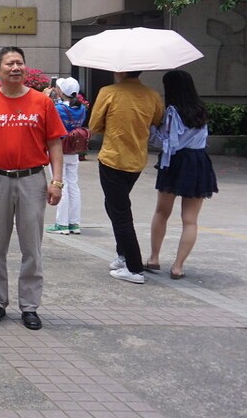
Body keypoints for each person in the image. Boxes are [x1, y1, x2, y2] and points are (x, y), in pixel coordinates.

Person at [0, 47, 66, 331]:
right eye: (9, 63)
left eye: (20, 63)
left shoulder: (42, 102)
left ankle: (29, 306)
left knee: (31, 246)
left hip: (32, 180)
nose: (16, 67)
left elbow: (54, 144)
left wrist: (57, 181)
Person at [87, 70, 164, 285]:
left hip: (113, 158)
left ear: (120, 70)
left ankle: (134, 267)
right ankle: (122, 256)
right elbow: (157, 120)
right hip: (137, 160)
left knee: (120, 213)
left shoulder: (108, 92)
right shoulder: (152, 95)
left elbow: (94, 125)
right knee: (114, 205)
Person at [146, 70, 218, 280]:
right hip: (198, 162)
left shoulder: (172, 112)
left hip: (175, 162)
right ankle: (178, 267)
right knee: (190, 220)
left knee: (162, 212)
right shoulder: (200, 110)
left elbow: (164, 142)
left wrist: (151, 128)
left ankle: (154, 258)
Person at [46, 77, 87, 235]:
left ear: (61, 91)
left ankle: (62, 224)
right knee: (73, 186)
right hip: (74, 150)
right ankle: (74, 223)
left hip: (59, 150)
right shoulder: (81, 108)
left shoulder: (57, 108)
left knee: (60, 184)